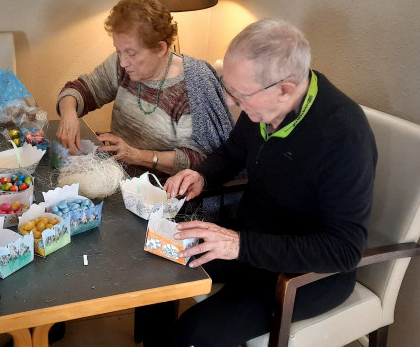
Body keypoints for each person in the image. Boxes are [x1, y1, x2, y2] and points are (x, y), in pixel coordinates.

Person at [159, 19, 378, 346]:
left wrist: (239, 244)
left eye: (239, 94)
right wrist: (202, 174)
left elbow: (344, 250)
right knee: (158, 268)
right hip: (251, 241)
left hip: (305, 274)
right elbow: (233, 152)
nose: (232, 103)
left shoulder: (344, 136)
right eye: (229, 89)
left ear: (285, 89)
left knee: (193, 334)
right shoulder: (263, 106)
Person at [55, 0, 233, 177]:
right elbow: (79, 90)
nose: (123, 62)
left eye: (131, 53)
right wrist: (69, 115)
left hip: (163, 193)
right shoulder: (122, 65)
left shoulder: (192, 87)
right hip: (118, 176)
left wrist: (137, 156)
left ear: (160, 48)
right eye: (118, 50)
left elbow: (198, 161)